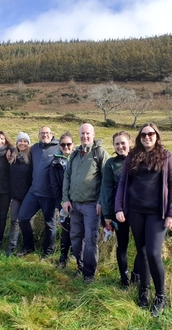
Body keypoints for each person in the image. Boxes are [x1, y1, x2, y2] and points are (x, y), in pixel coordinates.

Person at [115, 122, 172, 317]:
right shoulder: (133, 156)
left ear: (157, 136)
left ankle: (160, 296)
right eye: (143, 135)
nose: (147, 137)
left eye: (151, 134)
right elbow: (123, 182)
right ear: (139, 137)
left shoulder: (166, 156)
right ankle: (144, 291)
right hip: (135, 211)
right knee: (141, 252)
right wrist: (118, 207)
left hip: (157, 213)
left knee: (152, 252)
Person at [62, 123, 109, 283]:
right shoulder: (75, 154)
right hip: (74, 205)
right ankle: (81, 267)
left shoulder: (100, 154)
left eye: (88, 133)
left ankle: (89, 274)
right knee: (75, 237)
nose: (85, 136)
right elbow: (67, 177)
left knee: (90, 240)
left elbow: (106, 181)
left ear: (93, 134)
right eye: (82, 134)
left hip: (91, 206)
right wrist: (65, 199)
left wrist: (101, 202)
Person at [100, 131, 140, 288]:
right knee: (122, 244)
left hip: (138, 210)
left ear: (130, 142)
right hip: (119, 211)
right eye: (117, 144)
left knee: (141, 245)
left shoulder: (139, 159)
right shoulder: (111, 164)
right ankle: (124, 278)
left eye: (123, 143)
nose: (120, 146)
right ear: (114, 146)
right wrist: (107, 214)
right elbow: (106, 189)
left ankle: (136, 275)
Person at [17, 126, 59, 258]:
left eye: (47, 133)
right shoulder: (34, 147)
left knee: (50, 224)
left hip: (50, 195)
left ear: (51, 134)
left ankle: (48, 252)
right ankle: (28, 246)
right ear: (39, 135)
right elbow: (21, 150)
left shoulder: (58, 147)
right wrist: (10, 152)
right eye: (42, 133)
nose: (44, 135)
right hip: (34, 192)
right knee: (23, 217)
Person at [49, 131, 74, 268]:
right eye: (63, 144)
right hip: (63, 202)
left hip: (78, 201)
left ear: (73, 145)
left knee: (77, 230)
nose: (66, 147)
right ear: (59, 145)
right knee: (66, 229)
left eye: (68, 144)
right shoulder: (54, 162)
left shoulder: (78, 158)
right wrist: (61, 203)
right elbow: (54, 185)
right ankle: (63, 256)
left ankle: (75, 255)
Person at [7, 132, 33, 257]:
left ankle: (28, 245)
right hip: (16, 195)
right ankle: (11, 246)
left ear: (28, 143)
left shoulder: (32, 156)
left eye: (25, 141)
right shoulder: (12, 156)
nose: (22, 143)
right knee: (14, 220)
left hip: (29, 195)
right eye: (20, 141)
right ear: (16, 143)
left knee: (26, 220)